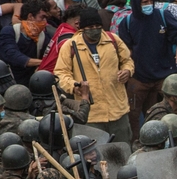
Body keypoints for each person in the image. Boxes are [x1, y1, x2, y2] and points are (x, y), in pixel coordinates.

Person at [54, 8, 135, 144]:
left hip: (117, 110)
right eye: (91, 27)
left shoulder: (112, 40)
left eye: (98, 26)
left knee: (122, 150)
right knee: (95, 155)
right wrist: (74, 86)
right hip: (91, 115)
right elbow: (60, 73)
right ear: (82, 28)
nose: (95, 30)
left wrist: (127, 71)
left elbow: (127, 61)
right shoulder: (70, 46)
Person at [117, 0, 177, 137]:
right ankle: (138, 144)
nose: (148, 4)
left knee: (175, 110)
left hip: (164, 76)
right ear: (137, 3)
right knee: (134, 116)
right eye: (144, 2)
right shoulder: (127, 23)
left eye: (150, 1)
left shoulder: (163, 15)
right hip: (139, 77)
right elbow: (125, 50)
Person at [0, 0, 52, 84]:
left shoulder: (44, 37)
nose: (45, 22)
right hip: (6, 83)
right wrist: (42, 63)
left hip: (31, 84)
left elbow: (51, 56)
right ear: (30, 17)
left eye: (46, 18)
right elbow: (12, 55)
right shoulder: (9, 32)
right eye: (42, 17)